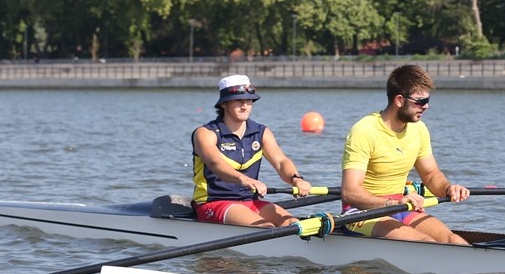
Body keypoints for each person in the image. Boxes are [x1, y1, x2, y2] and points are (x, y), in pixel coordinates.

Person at [340, 64, 471, 243]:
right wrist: (393, 203)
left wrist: (449, 189)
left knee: (452, 240)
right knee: (425, 243)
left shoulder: (419, 129)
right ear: (399, 100)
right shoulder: (364, 131)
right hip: (362, 212)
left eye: (427, 100)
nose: (426, 106)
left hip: (401, 206)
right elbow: (350, 192)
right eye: (420, 101)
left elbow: (431, 175)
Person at [191, 74, 313, 227]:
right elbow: (215, 163)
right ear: (223, 104)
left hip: (249, 201)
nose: (245, 106)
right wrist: (245, 179)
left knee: (294, 224)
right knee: (266, 227)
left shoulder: (261, 132)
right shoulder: (206, 133)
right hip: (213, 202)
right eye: (238, 101)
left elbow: (281, 162)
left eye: (249, 100)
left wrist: (296, 179)